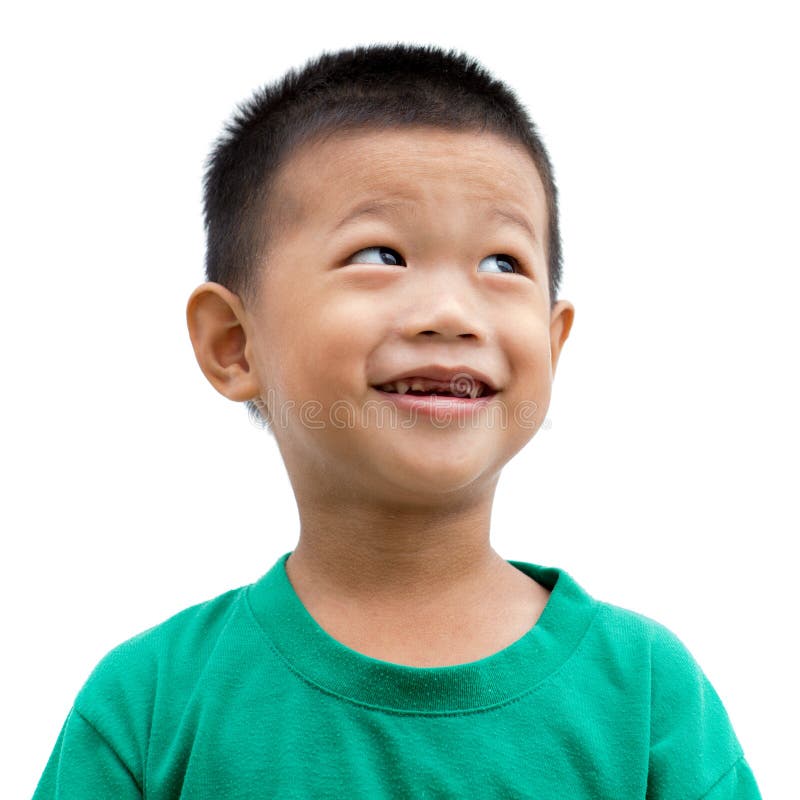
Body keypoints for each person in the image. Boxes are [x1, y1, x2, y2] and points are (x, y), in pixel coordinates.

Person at [33, 43, 762, 799]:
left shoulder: (648, 696)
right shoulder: (147, 706)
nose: (451, 313)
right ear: (234, 344)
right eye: (380, 253)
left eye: (503, 264)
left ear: (553, 341)